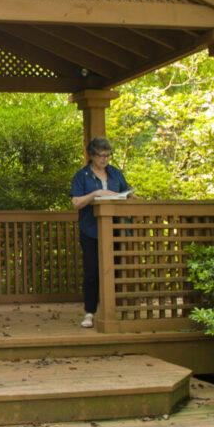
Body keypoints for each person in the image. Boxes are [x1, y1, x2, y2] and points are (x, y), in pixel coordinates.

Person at [69, 136, 133, 329]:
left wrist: (130, 196)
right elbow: (76, 203)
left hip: (115, 230)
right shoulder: (82, 176)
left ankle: (114, 309)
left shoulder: (115, 174)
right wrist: (95, 194)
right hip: (91, 230)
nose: (105, 159)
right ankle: (90, 312)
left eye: (107, 155)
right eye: (101, 156)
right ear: (92, 155)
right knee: (92, 272)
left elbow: (126, 191)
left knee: (116, 269)